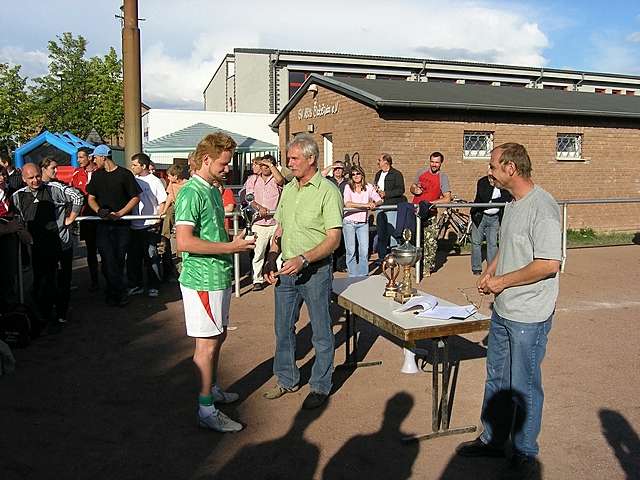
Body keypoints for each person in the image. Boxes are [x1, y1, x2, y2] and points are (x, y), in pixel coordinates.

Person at [456, 143, 561, 479]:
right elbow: (507, 244)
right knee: (497, 379)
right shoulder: (513, 204)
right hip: (504, 310)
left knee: (524, 385)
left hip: (529, 315)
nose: (489, 171)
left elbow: (548, 264)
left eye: (493, 165)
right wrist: (491, 270)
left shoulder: (542, 207)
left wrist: (501, 282)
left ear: (510, 169)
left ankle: (525, 453)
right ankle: (492, 439)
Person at [174, 132, 256, 432]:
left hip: (218, 276)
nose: (228, 169)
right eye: (223, 163)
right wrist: (230, 248)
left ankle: (212, 389)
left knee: (218, 336)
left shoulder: (211, 188)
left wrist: (230, 241)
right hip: (202, 280)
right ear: (206, 159)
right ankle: (206, 408)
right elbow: (183, 241)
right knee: (207, 344)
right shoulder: (191, 192)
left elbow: (210, 234)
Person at [263, 134, 343, 410]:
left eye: (294, 158)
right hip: (286, 270)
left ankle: (320, 386)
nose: (289, 163)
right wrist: (271, 258)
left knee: (321, 330)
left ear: (311, 159)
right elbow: (280, 229)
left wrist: (304, 259)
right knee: (283, 328)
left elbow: (334, 239)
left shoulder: (328, 192)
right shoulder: (288, 190)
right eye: (288, 158)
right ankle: (286, 379)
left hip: (316, 271)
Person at [12, 163, 83, 327]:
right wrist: (24, 234)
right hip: (37, 246)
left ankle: (61, 314)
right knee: (42, 281)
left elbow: (78, 197)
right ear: (23, 179)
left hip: (60, 244)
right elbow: (18, 219)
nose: (35, 180)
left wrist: (71, 218)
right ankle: (44, 314)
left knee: (61, 281)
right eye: (30, 178)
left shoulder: (54, 188)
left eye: (37, 176)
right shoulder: (18, 196)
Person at [86, 145, 141, 306]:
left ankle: (116, 292)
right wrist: (99, 211)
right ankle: (116, 291)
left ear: (104, 157)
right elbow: (91, 198)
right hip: (103, 225)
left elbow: (135, 197)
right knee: (107, 259)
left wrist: (120, 213)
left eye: (95, 158)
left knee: (117, 259)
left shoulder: (125, 174)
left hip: (122, 225)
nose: (94, 161)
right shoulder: (96, 176)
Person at [127, 153, 167, 298]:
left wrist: (158, 219)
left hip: (149, 224)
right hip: (133, 225)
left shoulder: (155, 181)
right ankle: (136, 284)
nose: (132, 167)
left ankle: (154, 285)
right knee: (133, 257)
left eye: (135, 165)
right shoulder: (132, 180)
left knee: (152, 256)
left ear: (143, 166)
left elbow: (162, 201)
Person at [243, 154, 284, 291]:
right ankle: (257, 279)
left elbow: (281, 180)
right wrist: (260, 207)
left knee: (278, 253)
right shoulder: (253, 180)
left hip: (275, 222)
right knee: (258, 253)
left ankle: (279, 276)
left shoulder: (276, 178)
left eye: (268, 165)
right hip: (259, 222)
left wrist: (272, 166)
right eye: (263, 165)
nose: (265, 168)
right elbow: (249, 198)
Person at [409, 151, 452, 273]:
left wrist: (431, 203)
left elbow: (447, 198)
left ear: (441, 163)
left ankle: (427, 268)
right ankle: (414, 264)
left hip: (430, 213)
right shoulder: (421, 172)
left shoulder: (442, 177)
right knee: (413, 239)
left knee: (430, 242)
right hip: (416, 211)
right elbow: (412, 186)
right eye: (432, 161)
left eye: (437, 162)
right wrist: (415, 190)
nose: (434, 164)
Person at [342, 166, 382, 277]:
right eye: (353, 174)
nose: (356, 176)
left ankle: (363, 275)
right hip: (349, 222)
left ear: (362, 175)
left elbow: (378, 199)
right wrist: (365, 205)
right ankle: (353, 275)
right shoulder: (348, 187)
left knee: (364, 251)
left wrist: (375, 203)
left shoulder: (368, 187)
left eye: (358, 174)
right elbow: (347, 203)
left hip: (363, 223)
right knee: (351, 251)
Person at [470, 173, 512, 275]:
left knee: (492, 244)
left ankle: (491, 269)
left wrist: (492, 201)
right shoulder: (483, 182)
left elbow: (507, 198)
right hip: (480, 216)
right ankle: (476, 268)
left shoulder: (502, 183)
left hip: (494, 217)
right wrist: (491, 186)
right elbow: (483, 197)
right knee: (476, 242)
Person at [70, 147, 99, 290]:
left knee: (106, 250)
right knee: (91, 250)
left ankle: (110, 279)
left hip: (101, 217)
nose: (78, 160)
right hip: (86, 218)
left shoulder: (101, 172)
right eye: (78, 157)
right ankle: (95, 281)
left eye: (81, 157)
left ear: (90, 157)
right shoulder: (76, 174)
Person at [373, 153, 405, 263]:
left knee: (392, 232)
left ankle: (394, 257)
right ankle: (382, 257)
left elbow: (400, 190)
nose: (378, 162)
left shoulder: (396, 174)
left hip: (391, 206)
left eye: (379, 160)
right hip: (380, 206)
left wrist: (386, 193)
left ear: (386, 162)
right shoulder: (378, 174)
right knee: (381, 232)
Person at [322, 160, 348, 271]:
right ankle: (331, 266)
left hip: (344, 213)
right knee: (330, 240)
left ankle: (340, 265)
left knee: (341, 241)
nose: (337, 170)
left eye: (340, 168)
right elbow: (321, 175)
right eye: (336, 169)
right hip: (330, 212)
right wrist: (332, 166)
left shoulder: (347, 182)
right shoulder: (328, 180)